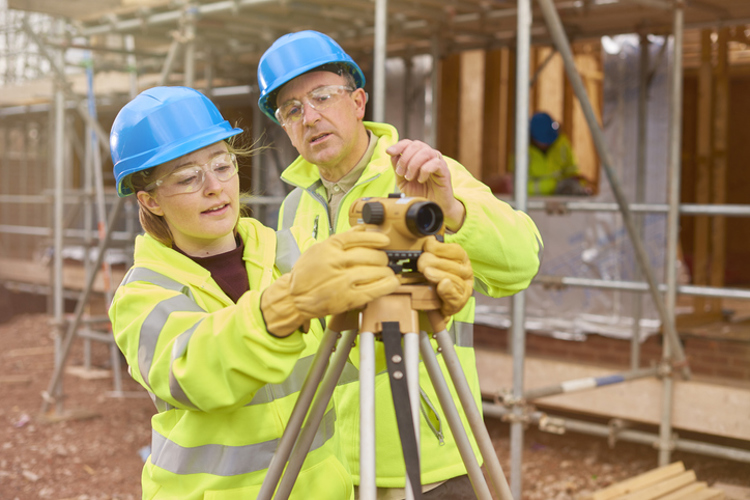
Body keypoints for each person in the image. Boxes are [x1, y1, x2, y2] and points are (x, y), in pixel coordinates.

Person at [256, 30, 544, 499]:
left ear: (358, 101)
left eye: (322, 96)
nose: (310, 117)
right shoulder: (293, 209)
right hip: (327, 466)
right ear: (284, 128)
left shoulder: (423, 176)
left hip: (429, 463)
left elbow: (522, 261)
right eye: (291, 109)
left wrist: (452, 210)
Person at [108, 86, 414, 499]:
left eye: (222, 165)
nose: (215, 187)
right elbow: (196, 372)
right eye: (187, 178)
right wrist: (282, 308)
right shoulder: (142, 294)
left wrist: (412, 305)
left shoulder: (286, 252)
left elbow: (347, 356)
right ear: (150, 200)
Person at [525, 111, 591, 196]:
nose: (547, 143)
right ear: (532, 137)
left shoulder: (561, 143)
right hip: (532, 202)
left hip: (561, 199)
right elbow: (518, 186)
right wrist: (554, 185)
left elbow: (572, 172)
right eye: (543, 140)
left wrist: (579, 185)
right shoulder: (522, 151)